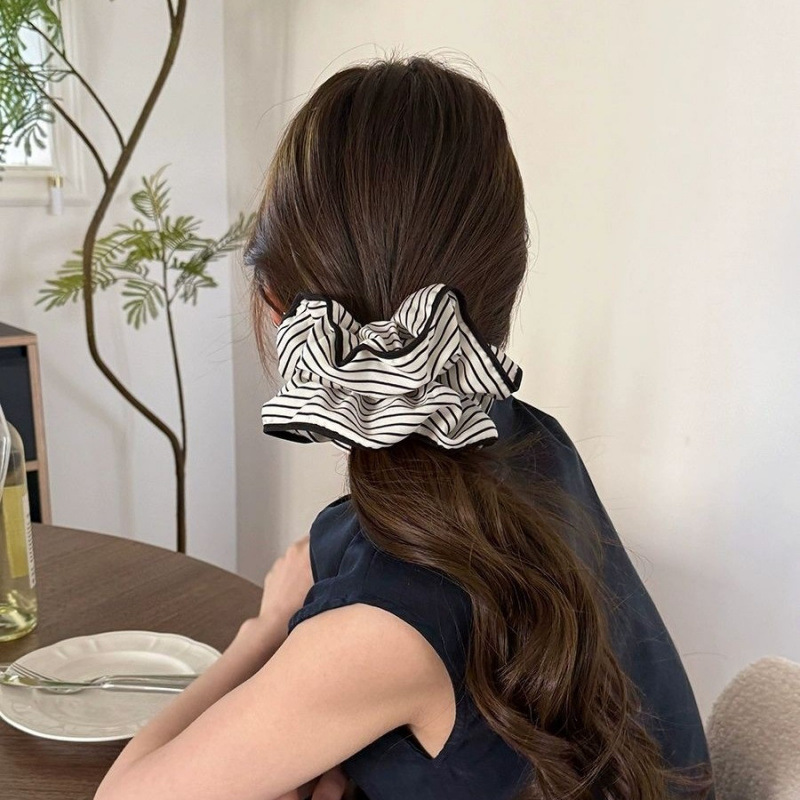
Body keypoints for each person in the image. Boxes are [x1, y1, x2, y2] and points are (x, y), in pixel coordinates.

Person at [94, 55, 714, 800]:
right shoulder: (527, 437)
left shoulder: (384, 621)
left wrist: (264, 628)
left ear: (278, 305)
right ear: (501, 290)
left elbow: (124, 795)